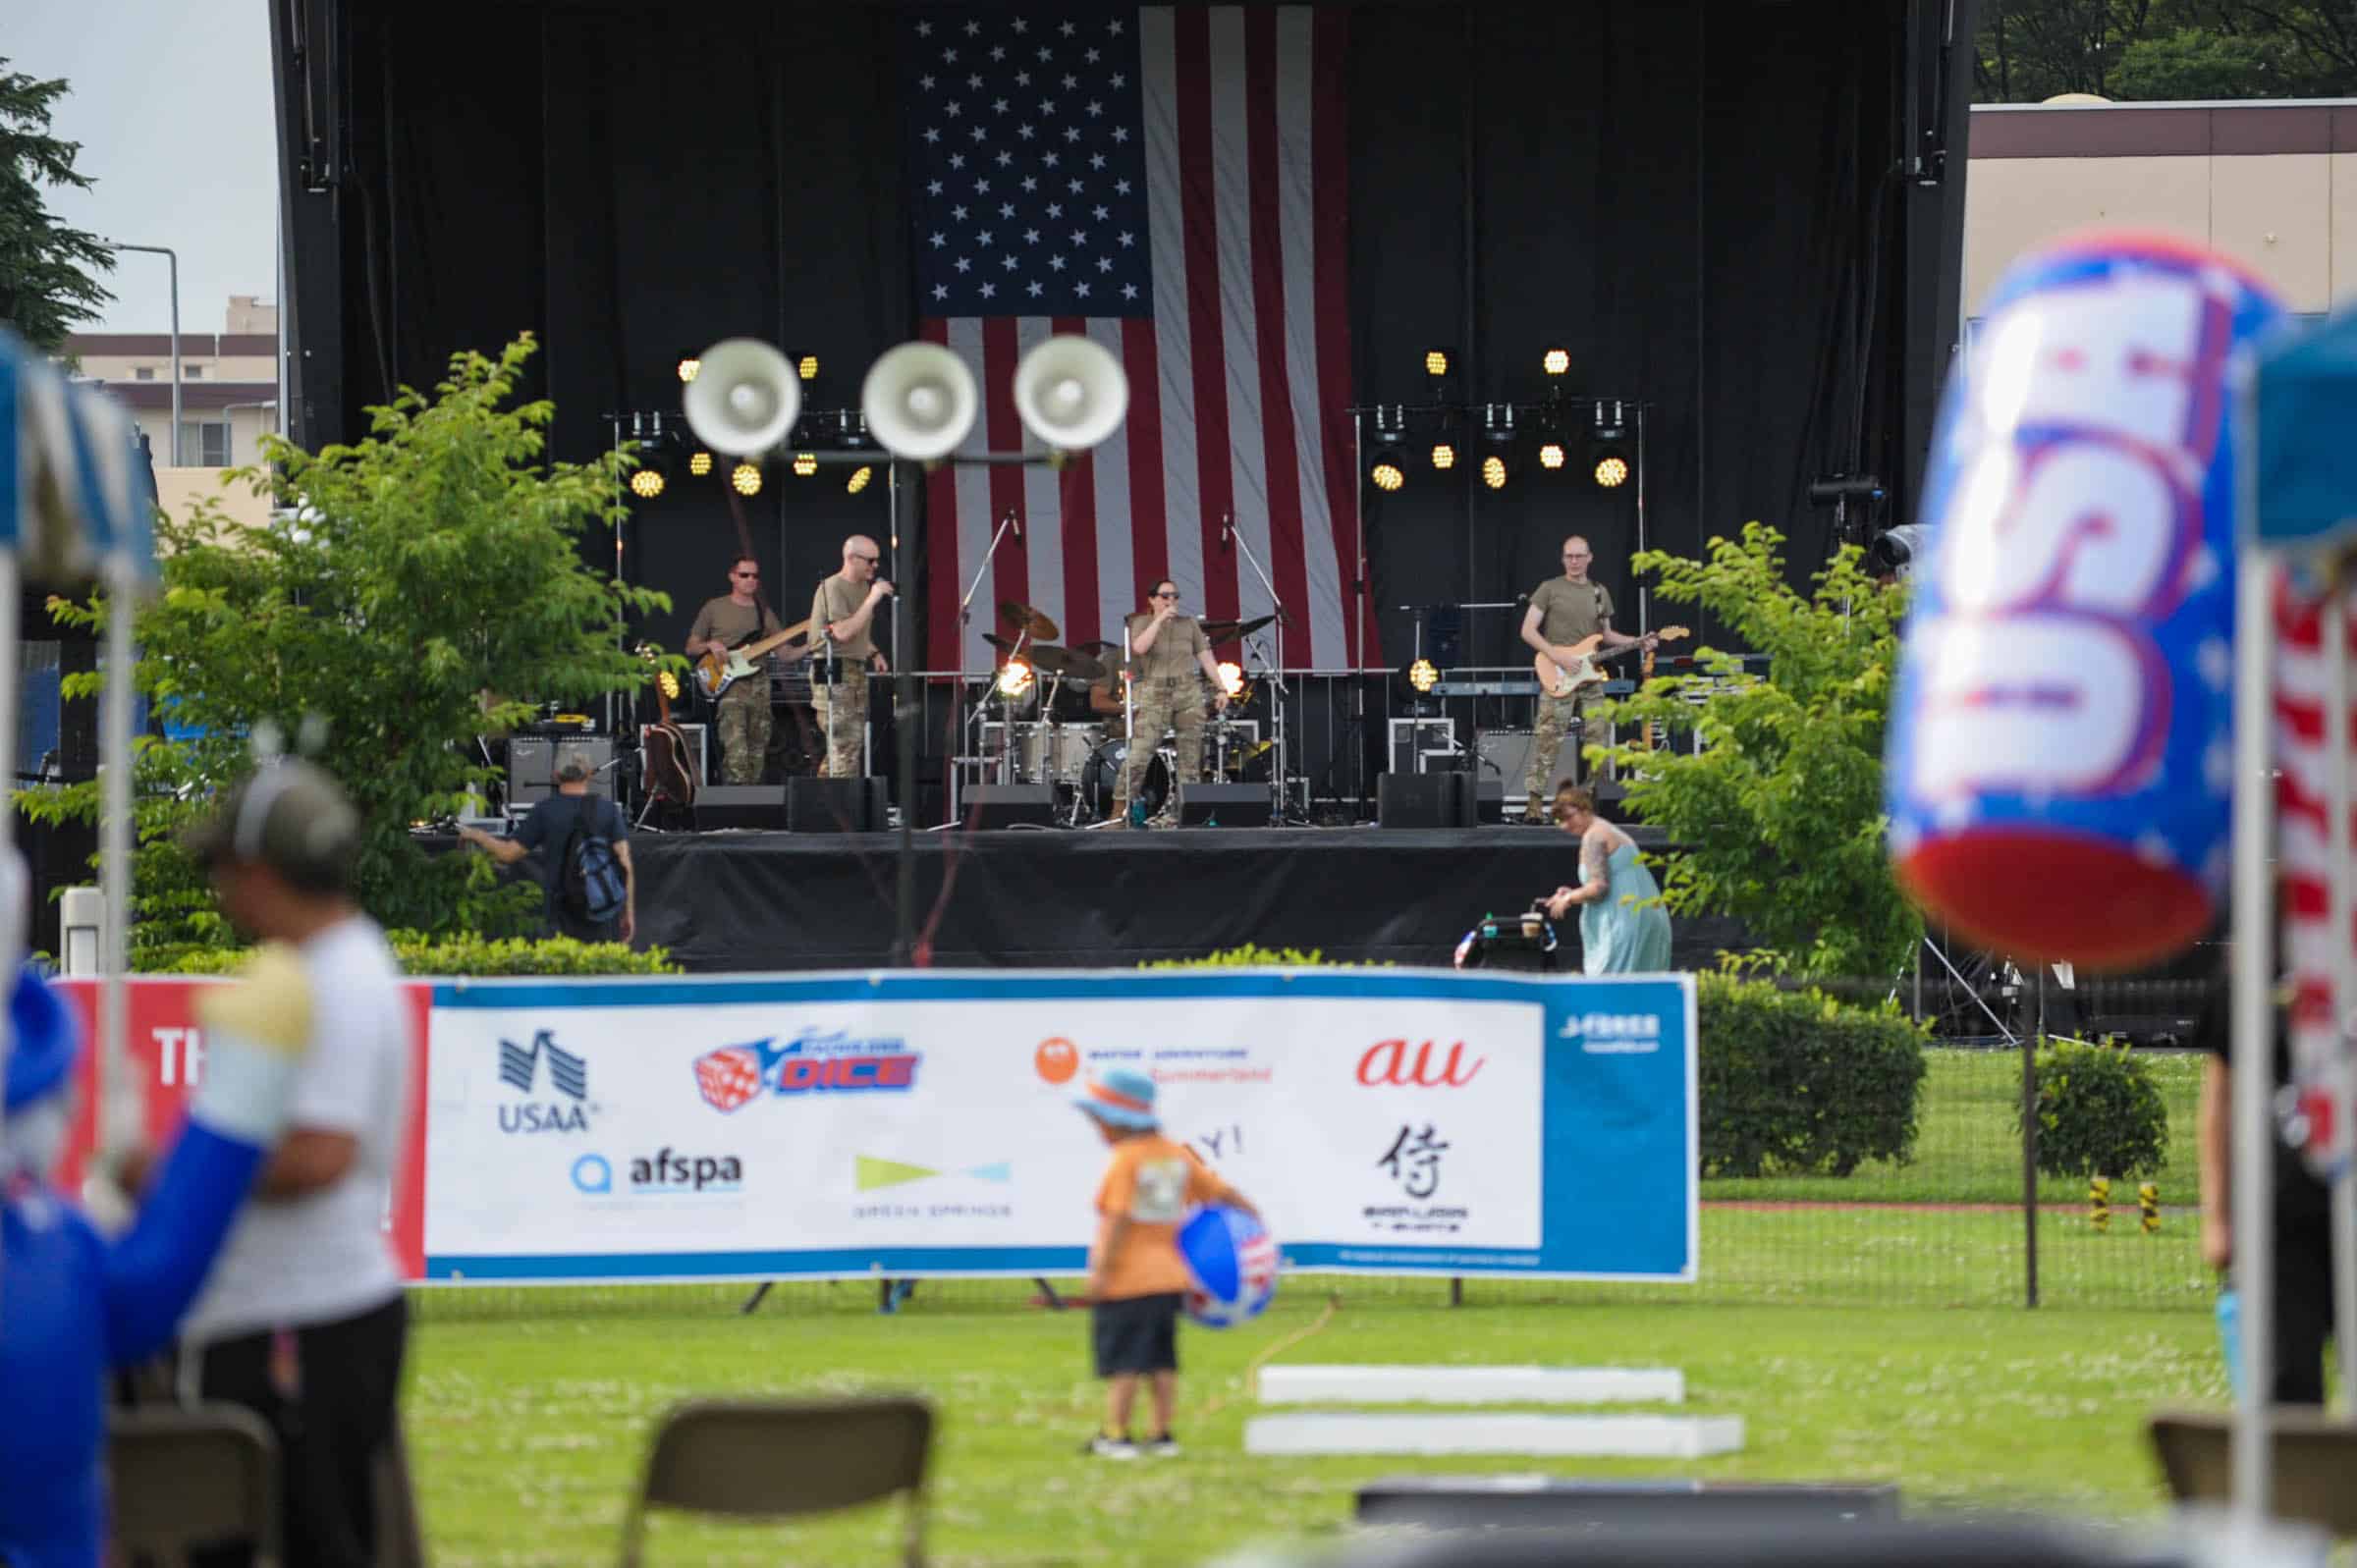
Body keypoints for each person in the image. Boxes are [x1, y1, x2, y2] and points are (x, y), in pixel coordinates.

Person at [176, 760, 415, 1568]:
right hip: (302, 1315)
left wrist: (185, 1173)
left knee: (308, 1542)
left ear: (260, 868)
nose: (219, 890)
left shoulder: (336, 980)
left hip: (306, 1320)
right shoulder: (332, 965)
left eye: (221, 868)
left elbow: (319, 1154)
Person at [1074, 1067, 1256, 1458]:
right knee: (1161, 1361)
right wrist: (1255, 1221)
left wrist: (1102, 1272)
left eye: (1098, 1119)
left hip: (1127, 1280)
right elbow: (1220, 1191)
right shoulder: (1173, 1155)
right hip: (1169, 1277)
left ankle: (1116, 1435)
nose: (1097, 1128)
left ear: (1117, 1121)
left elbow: (1118, 1219)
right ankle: (1161, 1435)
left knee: (1124, 1362)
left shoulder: (1126, 1161)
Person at [2196, 956, 2335, 1405]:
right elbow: (2220, 1097)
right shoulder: (2255, 962)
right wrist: (2218, 1219)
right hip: (2279, 1221)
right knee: (2285, 1393)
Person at [459, 749, 635, 944]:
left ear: (555, 775)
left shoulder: (545, 810)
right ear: (589, 774)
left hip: (561, 910)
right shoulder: (608, 810)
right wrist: (627, 912)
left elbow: (509, 854)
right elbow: (624, 864)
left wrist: (478, 835)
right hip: (603, 911)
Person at [1518, 535, 1638, 819]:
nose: (1574, 561)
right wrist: (1557, 656)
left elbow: (1606, 635)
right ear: (1563, 559)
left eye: (1579, 556)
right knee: (1548, 739)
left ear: (1589, 558)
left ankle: (1589, 800)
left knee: (1598, 738)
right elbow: (1528, 630)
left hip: (1590, 679)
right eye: (1569, 556)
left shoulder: (1599, 592)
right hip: (1558, 673)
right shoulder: (1549, 588)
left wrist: (1638, 641)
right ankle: (1534, 805)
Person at [1119, 579, 1228, 826]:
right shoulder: (1141, 622)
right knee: (1139, 755)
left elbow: (1206, 657)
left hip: (1187, 691)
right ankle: (1119, 811)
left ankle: (1185, 815)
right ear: (1152, 599)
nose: (1171, 600)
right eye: (1165, 596)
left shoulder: (1189, 624)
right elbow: (1139, 648)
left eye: (1175, 596)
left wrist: (1221, 687)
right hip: (1155, 692)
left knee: (1190, 758)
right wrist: (1159, 619)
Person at [1543, 784, 1672, 973]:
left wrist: (1568, 898)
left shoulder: (1594, 836)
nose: (1565, 825)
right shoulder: (1608, 829)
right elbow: (1613, 880)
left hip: (1624, 924)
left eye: (1569, 817)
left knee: (1609, 988)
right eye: (1559, 821)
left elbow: (1599, 888)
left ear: (1585, 809)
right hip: (1646, 918)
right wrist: (1574, 892)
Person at [687, 557, 783, 784]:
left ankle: (753, 800)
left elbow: (785, 653)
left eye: (755, 576)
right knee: (735, 749)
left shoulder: (764, 613)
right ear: (732, 577)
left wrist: (812, 645)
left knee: (758, 751)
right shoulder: (714, 607)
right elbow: (691, 647)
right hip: (729, 685)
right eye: (744, 575)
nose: (751, 580)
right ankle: (736, 799)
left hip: (760, 685)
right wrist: (709, 644)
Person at [810, 534, 894, 779]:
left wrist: (873, 652)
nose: (875, 566)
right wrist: (872, 599)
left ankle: (824, 796)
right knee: (844, 742)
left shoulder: (862, 587)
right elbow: (843, 632)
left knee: (849, 745)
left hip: (854, 668)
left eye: (877, 560)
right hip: (832, 667)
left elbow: (857, 630)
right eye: (870, 560)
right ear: (852, 558)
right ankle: (841, 799)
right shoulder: (832, 587)